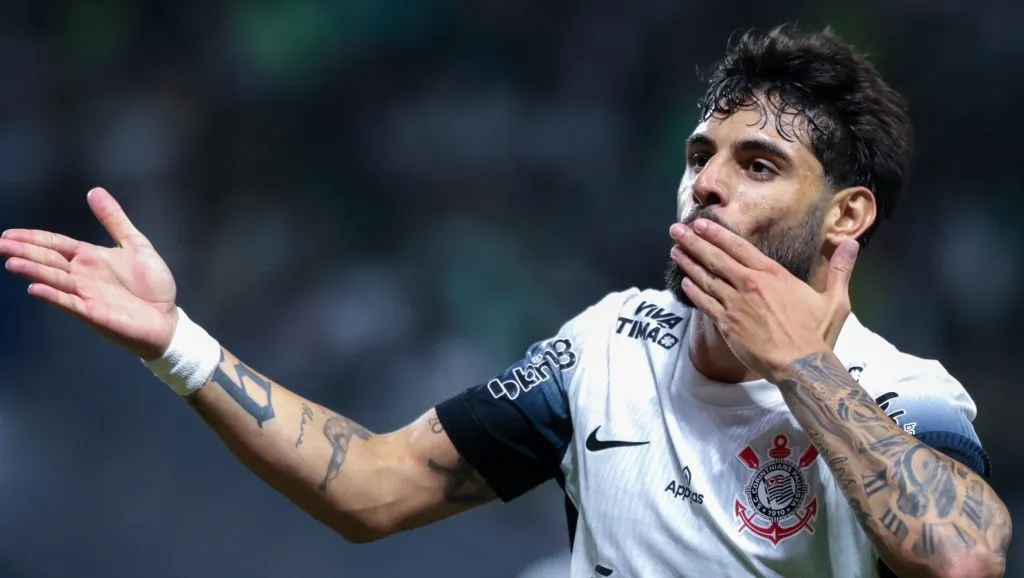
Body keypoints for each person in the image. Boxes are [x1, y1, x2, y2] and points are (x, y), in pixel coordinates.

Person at [0, 24, 1011, 578]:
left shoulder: (901, 391)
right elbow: (373, 485)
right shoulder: (609, 346)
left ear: (845, 216)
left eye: (758, 164)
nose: (705, 182)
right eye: (700, 154)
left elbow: (961, 555)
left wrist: (798, 363)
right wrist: (174, 338)